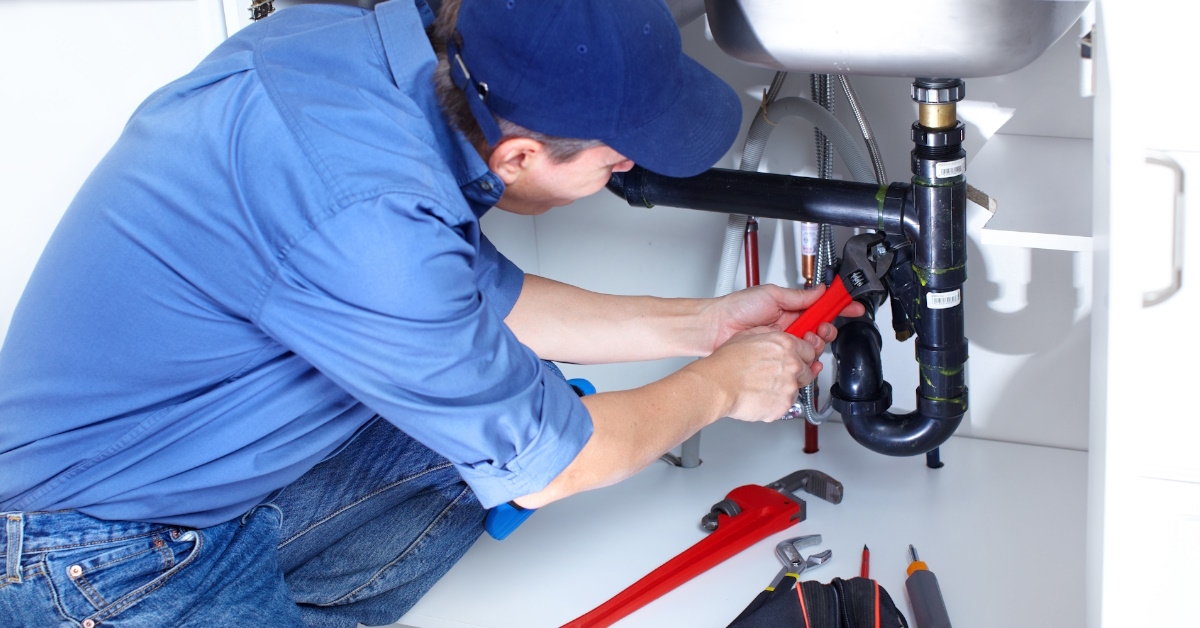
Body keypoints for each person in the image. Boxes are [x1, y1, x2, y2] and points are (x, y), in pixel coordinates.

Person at [0, 0, 860, 626]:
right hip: (95, 558)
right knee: (533, 439)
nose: (624, 170)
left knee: (510, 414)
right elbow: (552, 468)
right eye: (614, 161)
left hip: (177, 465)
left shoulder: (362, 51)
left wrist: (703, 326)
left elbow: (474, 295)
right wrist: (717, 388)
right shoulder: (368, 222)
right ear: (520, 153)